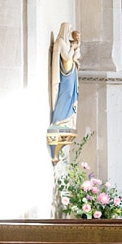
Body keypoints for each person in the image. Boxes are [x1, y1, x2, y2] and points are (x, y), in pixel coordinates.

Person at [48, 23, 81, 162]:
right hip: (66, 78)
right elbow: (66, 57)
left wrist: (76, 46)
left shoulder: (66, 42)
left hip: (71, 76)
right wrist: (73, 48)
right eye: (69, 29)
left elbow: (75, 58)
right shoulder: (60, 42)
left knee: (71, 99)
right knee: (64, 97)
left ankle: (67, 123)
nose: (69, 33)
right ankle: (59, 122)